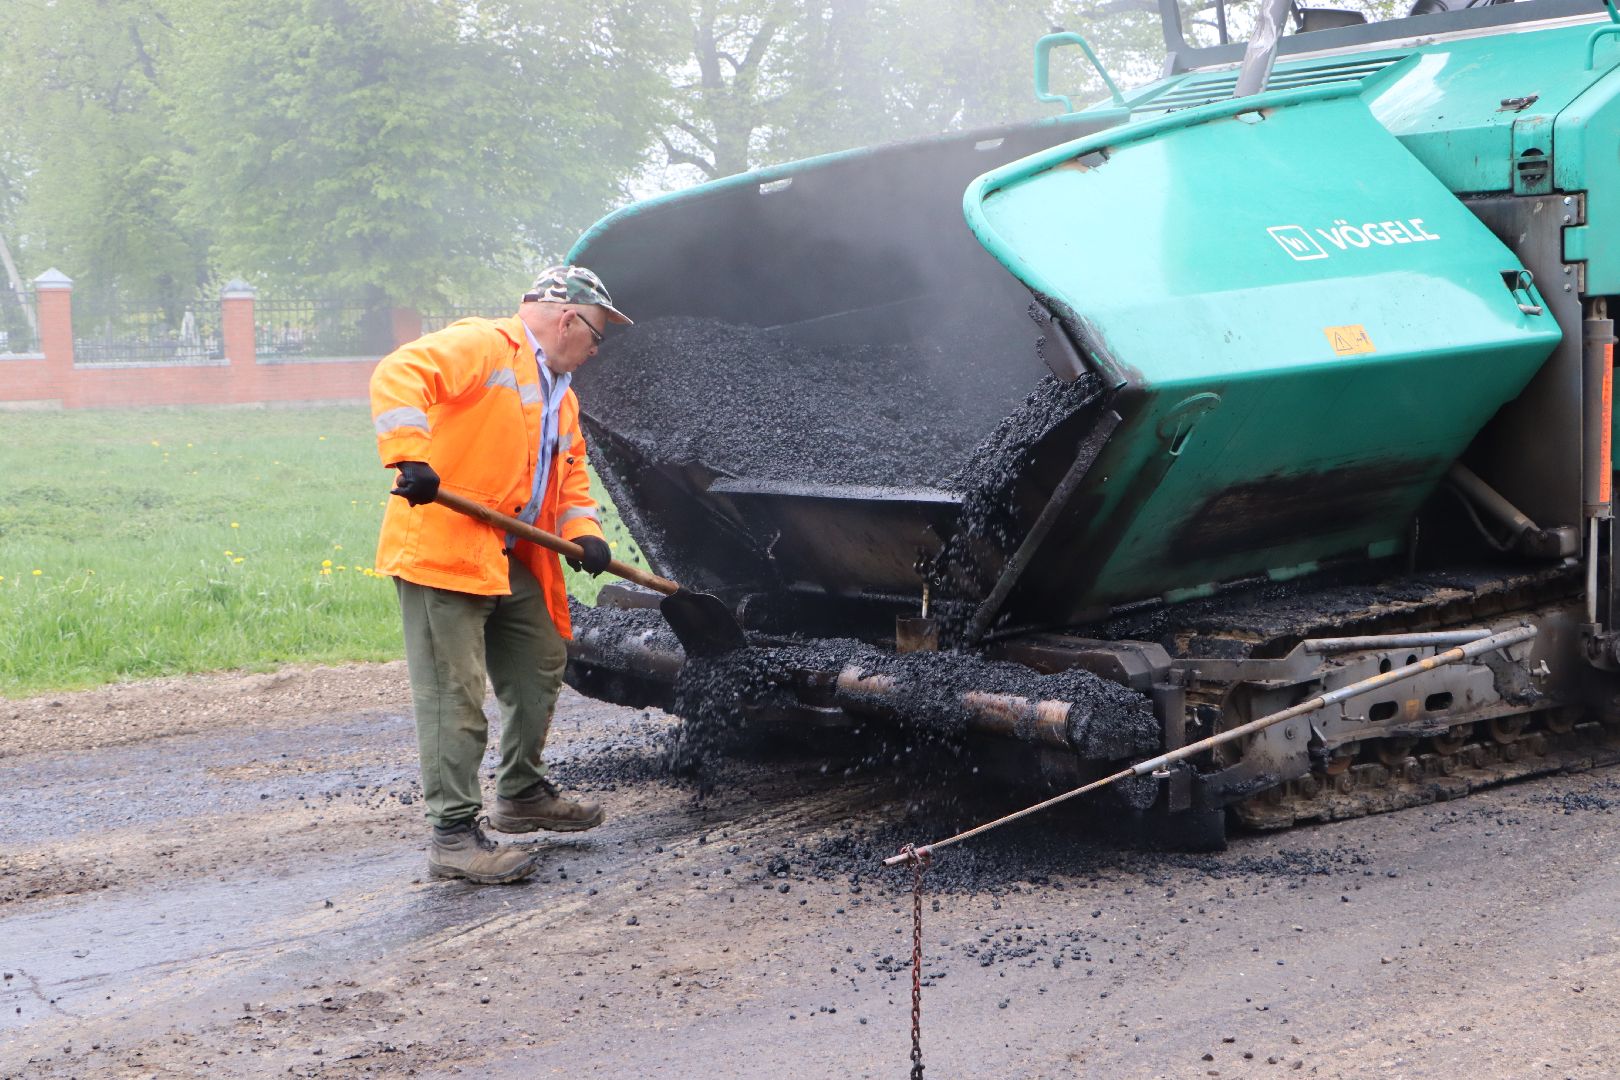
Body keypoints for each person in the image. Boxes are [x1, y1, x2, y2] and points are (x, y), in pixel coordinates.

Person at [370, 265, 631, 884]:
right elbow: (399, 373)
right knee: (454, 698)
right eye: (597, 335)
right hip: (446, 546)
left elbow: (567, 475)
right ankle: (454, 838)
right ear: (568, 318)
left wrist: (584, 534)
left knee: (540, 659)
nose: (597, 349)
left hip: (510, 551)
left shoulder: (561, 395)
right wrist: (410, 454)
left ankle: (520, 793)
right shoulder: (486, 345)